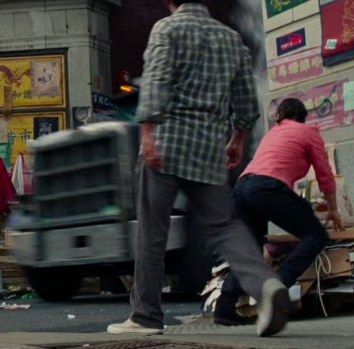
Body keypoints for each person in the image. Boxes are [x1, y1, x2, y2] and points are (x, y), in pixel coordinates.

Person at [106, 0, 289, 337]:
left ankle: (145, 316)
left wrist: (147, 132)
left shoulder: (167, 28)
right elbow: (246, 100)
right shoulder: (229, 38)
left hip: (166, 143)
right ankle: (265, 285)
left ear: (170, 1)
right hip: (208, 148)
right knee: (223, 225)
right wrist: (237, 139)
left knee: (152, 232)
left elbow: (157, 81)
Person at [214, 98, 344, 325]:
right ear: (303, 117)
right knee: (317, 235)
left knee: (249, 251)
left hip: (243, 188)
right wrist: (333, 209)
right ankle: (276, 288)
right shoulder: (308, 132)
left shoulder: (272, 134)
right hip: (267, 188)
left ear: (281, 115)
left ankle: (224, 307)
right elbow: (324, 174)